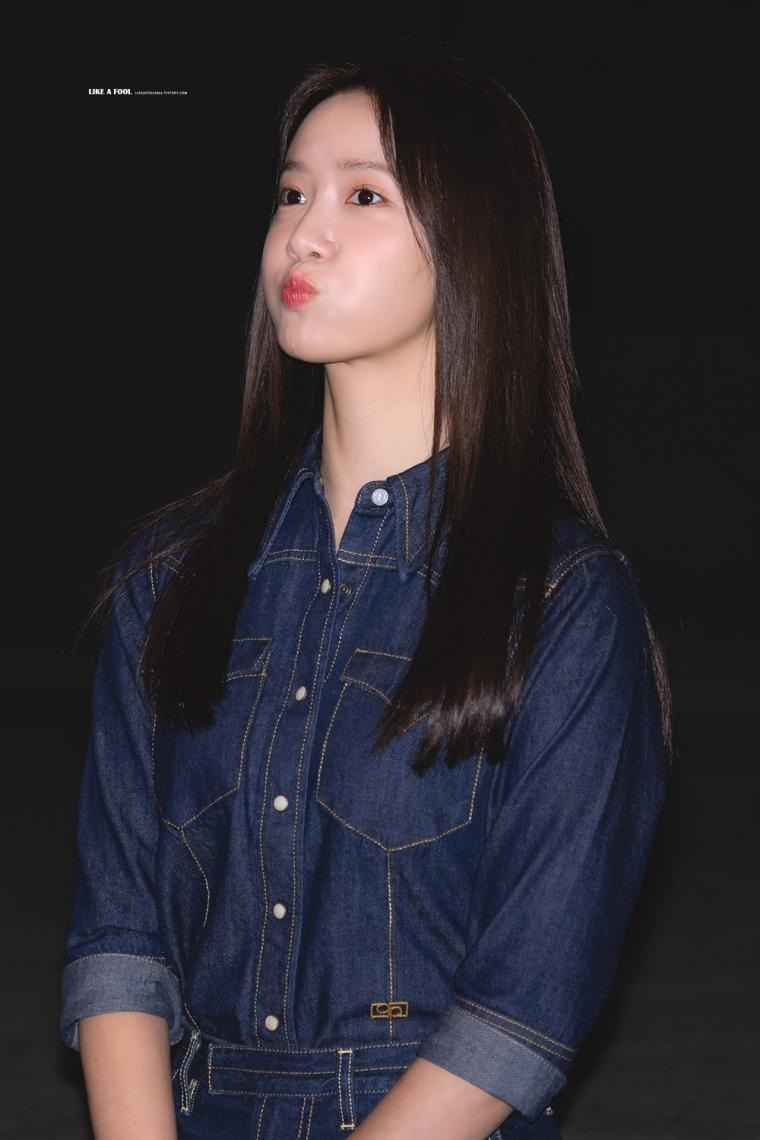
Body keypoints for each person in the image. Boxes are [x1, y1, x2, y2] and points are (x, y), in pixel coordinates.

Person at [59, 49, 672, 1139]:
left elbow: (523, 1008)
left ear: (473, 242)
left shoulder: (565, 604)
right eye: (291, 192)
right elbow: (119, 937)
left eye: (364, 196)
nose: (303, 233)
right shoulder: (170, 574)